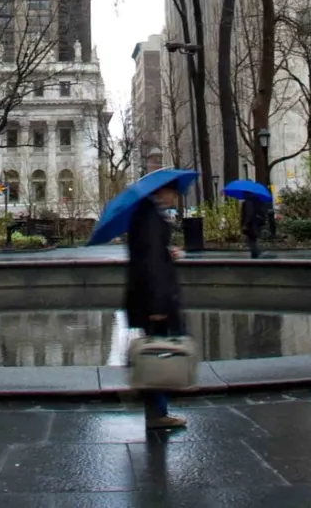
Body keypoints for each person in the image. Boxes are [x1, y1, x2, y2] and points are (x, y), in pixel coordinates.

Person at [125, 184, 187, 434]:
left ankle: (155, 407)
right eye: (173, 192)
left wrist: (167, 252)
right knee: (156, 353)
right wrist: (157, 305)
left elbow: (151, 254)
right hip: (153, 299)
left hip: (151, 297)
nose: (175, 197)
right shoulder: (149, 215)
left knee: (154, 352)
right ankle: (157, 411)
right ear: (162, 192)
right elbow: (149, 263)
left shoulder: (148, 213)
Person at [239, 195, 268, 259]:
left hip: (251, 225)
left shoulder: (248, 202)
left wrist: (245, 224)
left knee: (251, 242)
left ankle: (258, 252)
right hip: (255, 224)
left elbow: (249, 214)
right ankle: (254, 257)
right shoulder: (256, 201)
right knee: (253, 240)